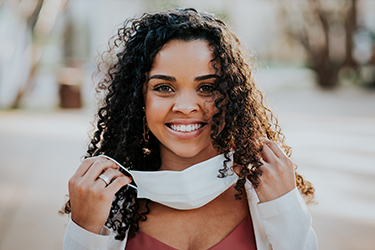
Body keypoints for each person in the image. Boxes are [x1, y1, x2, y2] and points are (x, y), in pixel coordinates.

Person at [62, 8, 318, 250]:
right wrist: (84, 233)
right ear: (139, 98)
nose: (185, 107)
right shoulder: (105, 205)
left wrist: (285, 208)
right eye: (164, 87)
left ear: (232, 97)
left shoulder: (267, 194)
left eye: (206, 88)